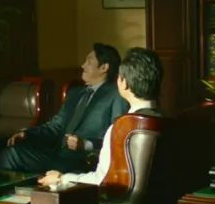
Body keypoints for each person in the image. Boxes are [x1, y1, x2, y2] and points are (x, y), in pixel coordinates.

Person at [38, 47, 163, 187]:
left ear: (124, 83)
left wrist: (62, 178)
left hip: (118, 199)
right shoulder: (173, 124)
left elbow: (101, 180)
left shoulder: (119, 129)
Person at [0, 43, 129, 173]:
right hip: (57, 155)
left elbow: (118, 138)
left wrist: (85, 144)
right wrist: (27, 134)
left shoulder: (116, 95)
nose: (83, 65)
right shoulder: (75, 93)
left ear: (104, 67)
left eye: (89, 62)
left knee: (13, 154)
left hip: (84, 160)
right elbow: (55, 126)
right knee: (9, 148)